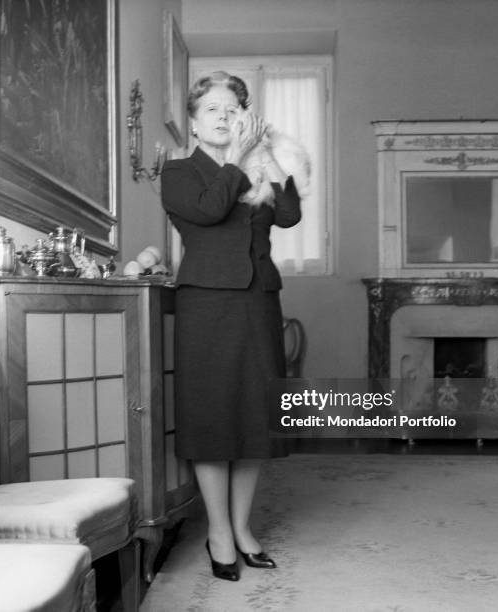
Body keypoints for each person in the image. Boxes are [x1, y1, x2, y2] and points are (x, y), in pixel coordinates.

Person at [161, 71, 301, 582]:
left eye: (232, 109)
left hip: (258, 301)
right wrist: (240, 161)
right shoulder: (179, 173)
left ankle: (242, 529)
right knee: (213, 420)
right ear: (195, 125)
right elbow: (210, 208)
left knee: (253, 421)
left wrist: (269, 159)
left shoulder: (257, 166)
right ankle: (218, 533)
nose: (225, 117)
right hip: (207, 307)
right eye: (213, 110)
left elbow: (287, 217)